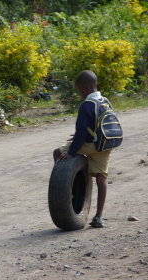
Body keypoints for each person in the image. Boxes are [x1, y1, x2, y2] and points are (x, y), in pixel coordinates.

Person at [53, 70, 112, 228]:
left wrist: (71, 152)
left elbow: (80, 132)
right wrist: (84, 134)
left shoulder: (86, 104)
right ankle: (98, 217)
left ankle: (64, 184)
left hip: (89, 144)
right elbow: (98, 125)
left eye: (78, 89)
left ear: (84, 86)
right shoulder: (104, 100)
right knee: (101, 178)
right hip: (104, 145)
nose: (79, 93)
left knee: (58, 153)